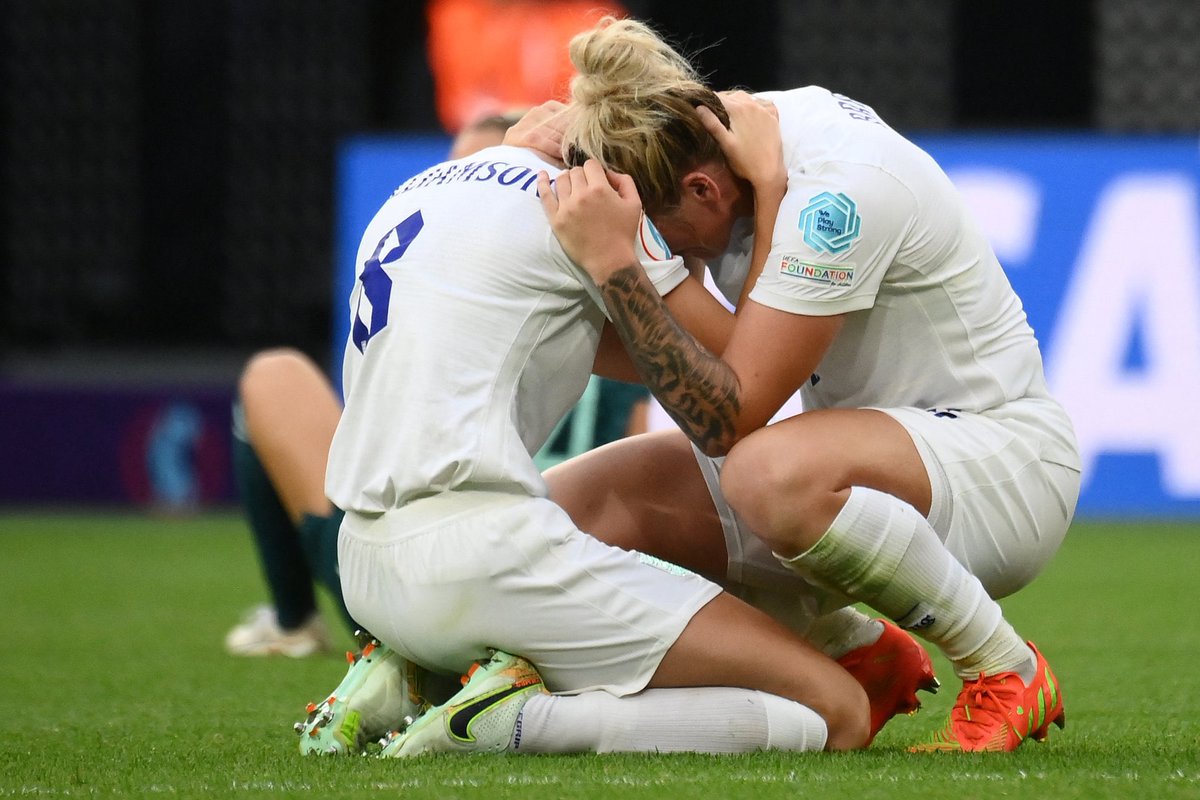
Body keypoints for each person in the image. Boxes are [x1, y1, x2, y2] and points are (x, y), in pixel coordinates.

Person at [537, 17, 1080, 753]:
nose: (677, 253)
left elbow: (732, 410)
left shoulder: (838, 199)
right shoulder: (714, 145)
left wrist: (627, 267)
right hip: (857, 465)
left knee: (765, 474)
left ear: (702, 189)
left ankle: (1006, 669)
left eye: (668, 233)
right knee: (570, 511)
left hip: (1002, 467)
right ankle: (854, 649)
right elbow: (708, 354)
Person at [290, 108, 872, 760]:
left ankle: (408, 671)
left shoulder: (424, 189)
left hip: (366, 567)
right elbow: (741, 383)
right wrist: (766, 187)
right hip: (484, 562)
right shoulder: (585, 215)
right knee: (837, 710)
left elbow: (651, 362)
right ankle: (515, 723)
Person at [223, 111, 647, 657]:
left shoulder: (440, 281)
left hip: (428, 562)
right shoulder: (619, 298)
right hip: (565, 564)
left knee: (273, 377)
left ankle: (293, 620)